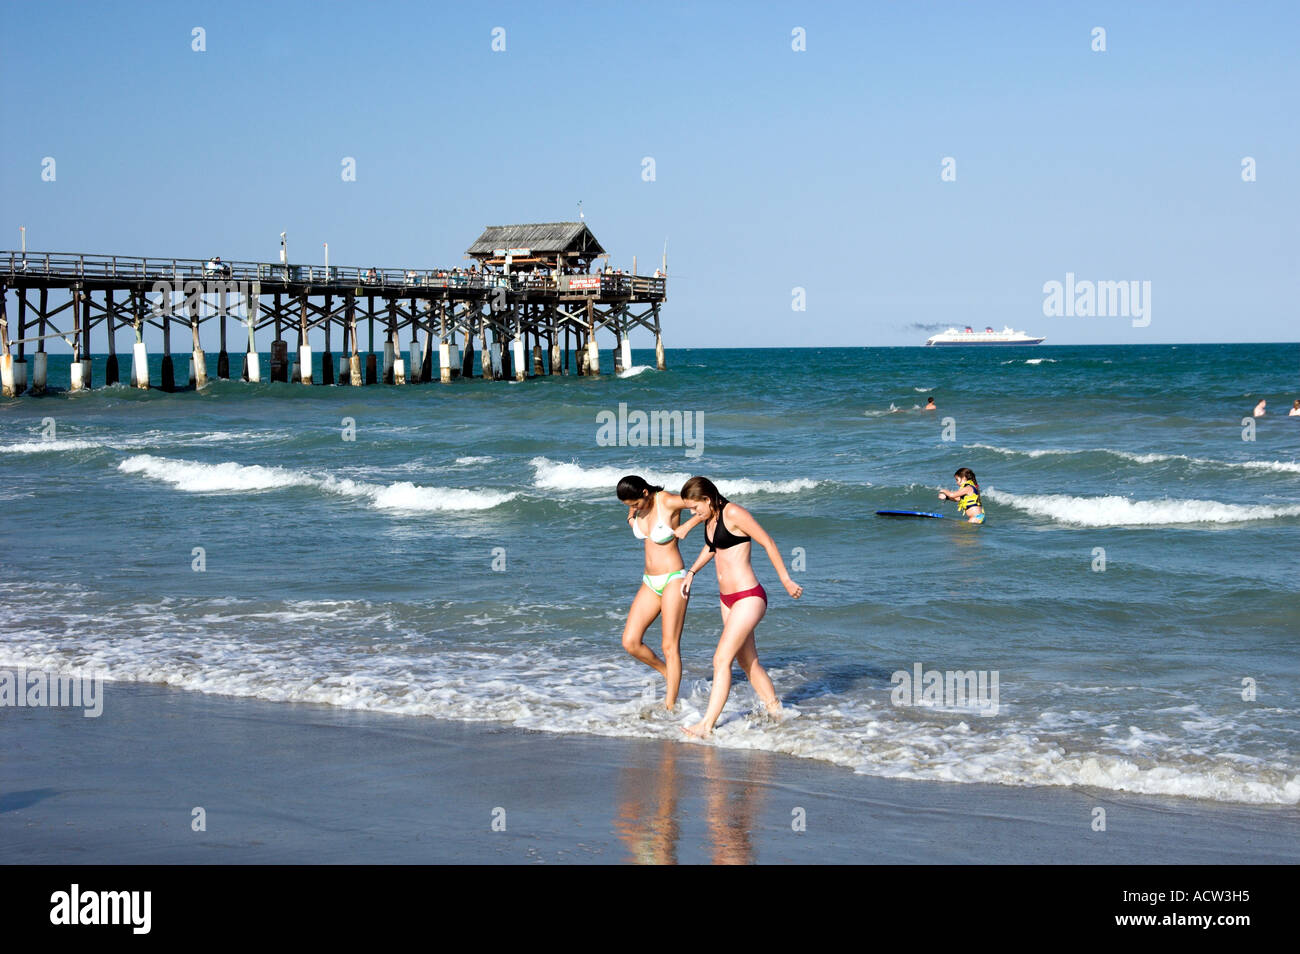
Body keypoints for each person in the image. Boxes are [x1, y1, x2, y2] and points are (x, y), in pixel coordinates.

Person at [678, 477, 802, 738]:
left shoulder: (733, 512)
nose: (693, 514)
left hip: (749, 597)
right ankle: (778, 713)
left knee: (721, 659)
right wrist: (691, 572)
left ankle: (706, 725)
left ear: (707, 500)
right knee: (748, 662)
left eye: (695, 508)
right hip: (727, 600)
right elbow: (712, 548)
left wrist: (786, 580)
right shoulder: (710, 519)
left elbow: (767, 541)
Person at [617, 476, 703, 711]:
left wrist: (687, 525)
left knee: (669, 646)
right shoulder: (638, 510)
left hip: (674, 579)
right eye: (628, 507)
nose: (633, 509)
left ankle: (670, 707)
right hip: (649, 582)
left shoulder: (667, 501)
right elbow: (638, 525)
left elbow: (706, 506)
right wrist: (632, 519)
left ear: (645, 492)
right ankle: (668, 673)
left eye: (634, 504)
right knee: (630, 642)